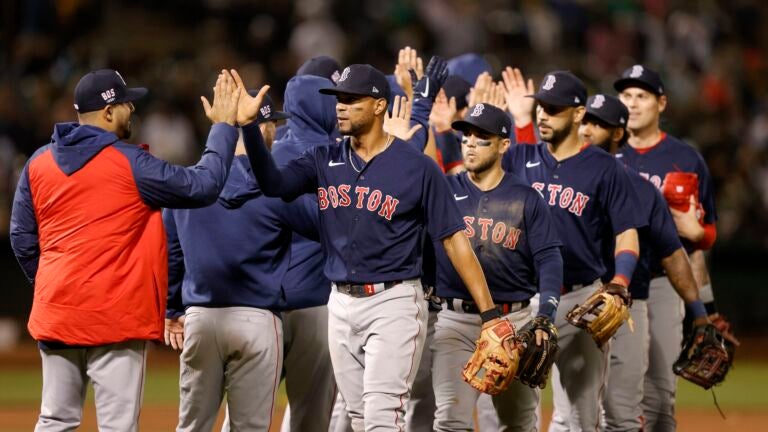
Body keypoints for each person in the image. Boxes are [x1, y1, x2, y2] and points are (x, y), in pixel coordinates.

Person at [233, 60, 506, 431]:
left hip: (394, 301)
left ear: (380, 105)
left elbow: (455, 241)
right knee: (360, 419)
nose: (341, 106)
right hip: (340, 303)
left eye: (352, 99)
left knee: (381, 418)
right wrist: (249, 129)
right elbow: (273, 185)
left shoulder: (416, 166)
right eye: (338, 99)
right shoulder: (323, 158)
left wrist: (489, 314)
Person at [9, 68, 243, 431]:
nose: (132, 107)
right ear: (107, 112)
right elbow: (203, 186)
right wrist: (224, 127)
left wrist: (55, 285)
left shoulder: (38, 162)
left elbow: (22, 238)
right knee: (118, 426)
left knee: (55, 419)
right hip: (115, 318)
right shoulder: (132, 164)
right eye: (124, 102)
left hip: (57, 311)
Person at [163, 87, 319, 432]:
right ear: (260, 127)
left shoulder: (187, 184)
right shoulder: (276, 188)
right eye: (273, 124)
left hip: (200, 319)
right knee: (249, 427)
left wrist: (173, 311)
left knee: (191, 426)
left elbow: (171, 257)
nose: (275, 132)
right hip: (258, 321)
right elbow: (325, 228)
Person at [501, 71, 643, 431]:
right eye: (541, 108)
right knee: (514, 415)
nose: (543, 115)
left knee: (581, 416)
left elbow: (627, 232)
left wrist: (620, 282)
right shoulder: (519, 157)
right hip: (523, 299)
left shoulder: (606, 169)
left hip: (580, 302)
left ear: (579, 114)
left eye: (554, 109)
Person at [579, 94, 710, 431]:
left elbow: (673, 253)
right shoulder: (554, 178)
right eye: (585, 120)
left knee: (625, 414)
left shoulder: (640, 189)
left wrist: (699, 313)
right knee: (575, 417)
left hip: (628, 301)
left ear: (616, 134)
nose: (587, 129)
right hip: (574, 303)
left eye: (598, 124)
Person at [431, 102, 563, 431]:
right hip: (455, 322)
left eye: (482, 137)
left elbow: (549, 258)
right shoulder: (445, 190)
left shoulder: (527, 197)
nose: (471, 143)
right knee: (449, 421)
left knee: (517, 424)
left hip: (514, 322)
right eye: (466, 136)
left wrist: (545, 314)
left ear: (505, 145)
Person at [614, 65, 718, 432]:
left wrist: (697, 232)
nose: (632, 104)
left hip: (661, 282)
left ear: (661, 103)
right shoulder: (604, 153)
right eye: (626, 96)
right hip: (609, 283)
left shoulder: (686, 158)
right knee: (608, 396)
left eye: (641, 96)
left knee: (660, 396)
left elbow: (707, 237)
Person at [271, 73, 339, 432]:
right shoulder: (335, 158)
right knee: (310, 417)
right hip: (316, 302)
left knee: (245, 415)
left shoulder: (268, 154)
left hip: (263, 302)